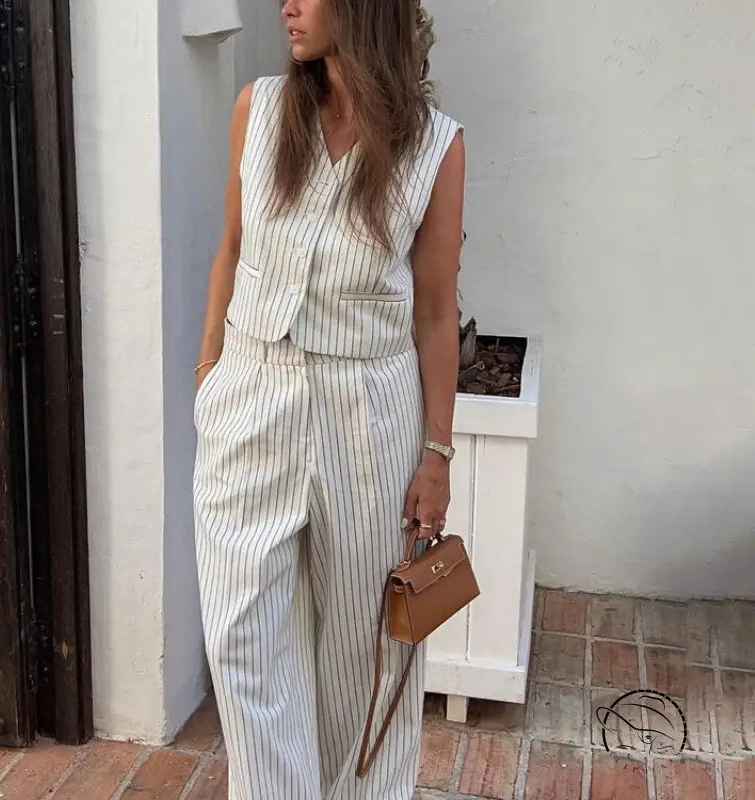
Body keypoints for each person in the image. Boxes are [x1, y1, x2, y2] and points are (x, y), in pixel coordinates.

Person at [192, 0, 465, 796]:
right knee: (241, 640)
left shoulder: (433, 146)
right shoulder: (259, 109)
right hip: (252, 394)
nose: (288, 5)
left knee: (364, 651)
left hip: (369, 409)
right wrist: (210, 374)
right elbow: (231, 248)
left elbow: (436, 312)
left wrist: (438, 453)